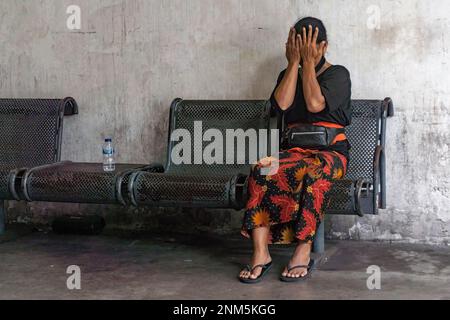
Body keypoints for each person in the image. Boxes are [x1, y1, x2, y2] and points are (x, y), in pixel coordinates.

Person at [238, 17, 352, 283]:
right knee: (261, 171)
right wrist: (293, 64)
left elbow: (314, 104)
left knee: (313, 173)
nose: (303, 53)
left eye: (309, 47)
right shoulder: (287, 73)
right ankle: (260, 254)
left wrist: (310, 64)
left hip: (331, 153)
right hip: (294, 151)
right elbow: (282, 105)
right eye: (297, 48)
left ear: (324, 46)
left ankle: (302, 250)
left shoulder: (339, 74)